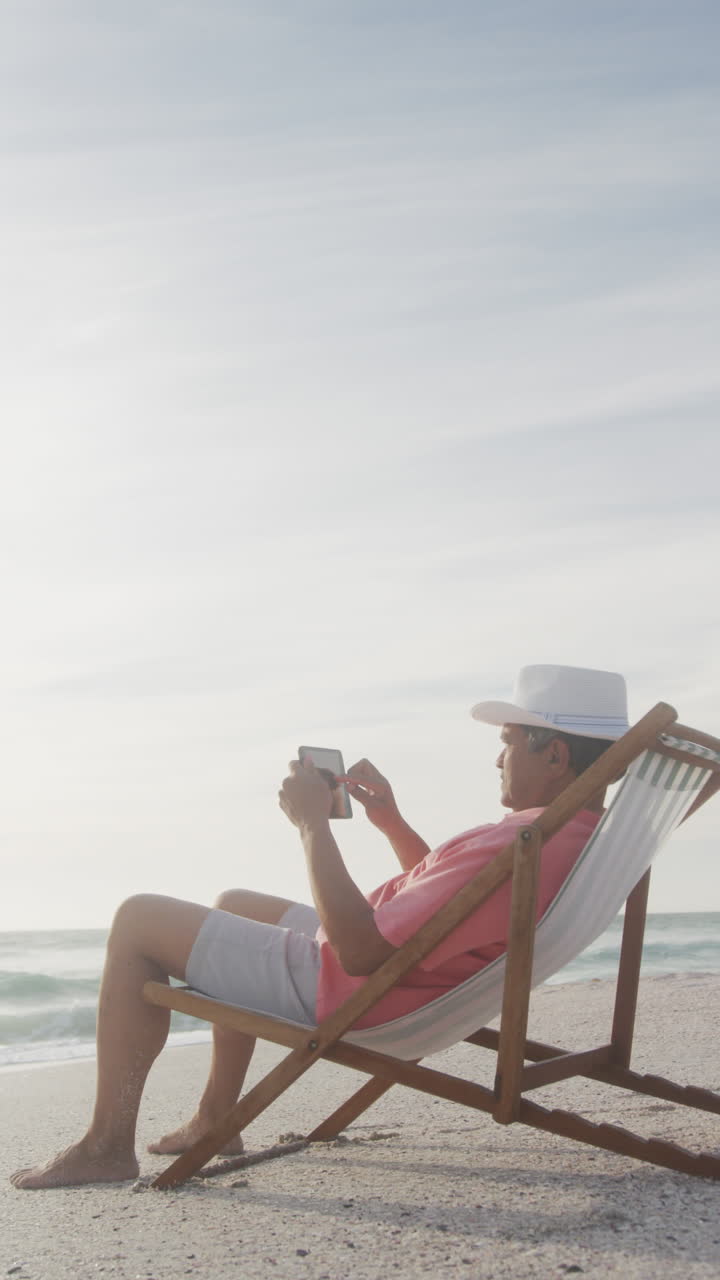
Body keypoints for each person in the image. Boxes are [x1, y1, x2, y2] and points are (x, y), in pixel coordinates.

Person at [11, 663, 629, 1190]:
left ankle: (106, 1144)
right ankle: (215, 1115)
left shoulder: (522, 839)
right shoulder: (568, 837)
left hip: (359, 989)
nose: (499, 757)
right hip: (406, 976)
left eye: (511, 740)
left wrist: (313, 825)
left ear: (554, 754)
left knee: (136, 918)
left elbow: (359, 950)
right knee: (236, 900)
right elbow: (457, 911)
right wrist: (389, 820)